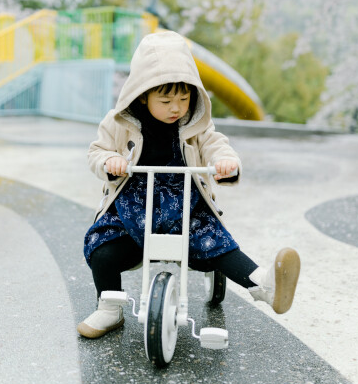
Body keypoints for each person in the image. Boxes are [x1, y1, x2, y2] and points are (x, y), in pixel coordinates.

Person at [77, 31, 300, 338]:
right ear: (142, 94)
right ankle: (109, 309)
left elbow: (215, 145)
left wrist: (226, 162)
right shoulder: (119, 121)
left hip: (184, 206)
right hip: (132, 209)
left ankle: (264, 286)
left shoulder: (195, 123)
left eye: (184, 98)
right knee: (103, 248)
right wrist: (109, 162)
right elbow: (96, 151)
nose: (176, 108)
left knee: (215, 242)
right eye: (166, 100)